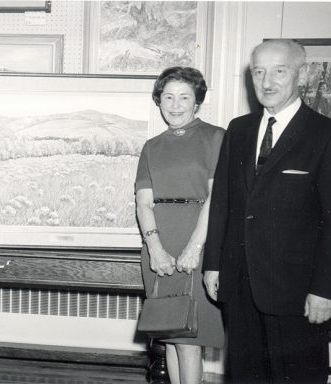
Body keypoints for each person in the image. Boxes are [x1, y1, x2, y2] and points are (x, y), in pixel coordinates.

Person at [203, 39, 331, 383]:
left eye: (280, 71)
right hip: (241, 286)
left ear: (302, 74)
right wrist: (214, 265)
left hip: (299, 292)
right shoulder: (239, 129)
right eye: (259, 72)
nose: (267, 82)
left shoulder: (328, 135)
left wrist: (327, 289)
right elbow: (222, 202)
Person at [135, 67, 225, 384]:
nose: (175, 104)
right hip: (159, 245)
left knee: (189, 341)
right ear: (159, 101)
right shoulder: (152, 146)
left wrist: (195, 247)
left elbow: (216, 198)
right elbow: (144, 202)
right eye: (168, 96)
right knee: (170, 334)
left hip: (198, 240)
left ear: (197, 101)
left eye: (184, 97)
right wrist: (155, 248)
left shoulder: (216, 138)